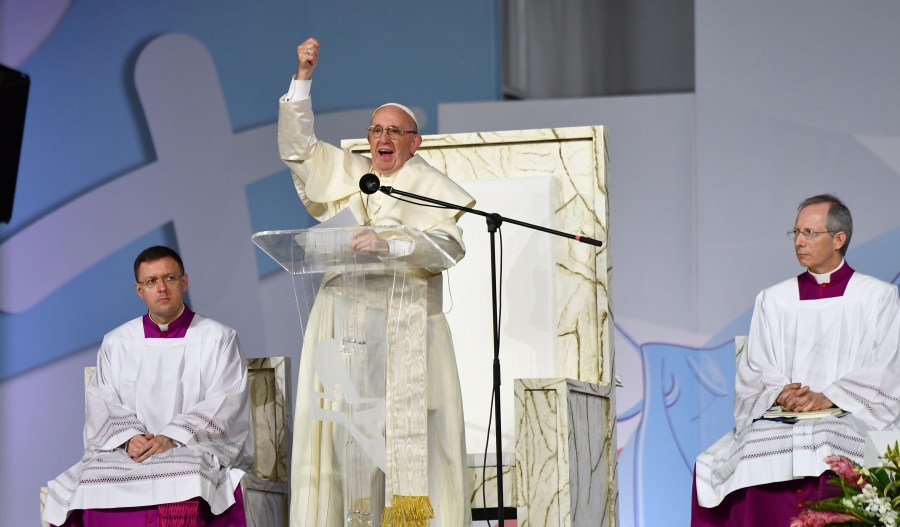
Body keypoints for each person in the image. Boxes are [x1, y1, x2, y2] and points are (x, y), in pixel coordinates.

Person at [278, 37, 475, 527]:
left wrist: (393, 245)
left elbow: (449, 247)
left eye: (395, 131)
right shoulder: (351, 173)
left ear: (415, 143)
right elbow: (298, 149)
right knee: (346, 439)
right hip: (344, 326)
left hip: (407, 331)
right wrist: (303, 77)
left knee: (409, 441)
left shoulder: (433, 189)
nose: (383, 138)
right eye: (376, 130)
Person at [692, 194, 900, 525]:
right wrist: (780, 392)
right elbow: (755, 364)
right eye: (795, 233)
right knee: (741, 452)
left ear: (838, 239)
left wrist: (828, 397)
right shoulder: (773, 300)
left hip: (849, 413)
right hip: (781, 415)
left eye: (809, 233)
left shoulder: (877, 297)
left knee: (826, 440)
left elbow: (889, 366)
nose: (799, 242)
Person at [42, 245, 253, 527]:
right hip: (130, 453)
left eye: (170, 278)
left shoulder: (218, 338)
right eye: (151, 281)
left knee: (192, 479)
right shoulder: (117, 343)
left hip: (189, 450)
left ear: (184, 282)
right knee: (90, 483)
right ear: (139, 291)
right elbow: (102, 401)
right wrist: (128, 438)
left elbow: (226, 402)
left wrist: (173, 437)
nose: (162, 288)